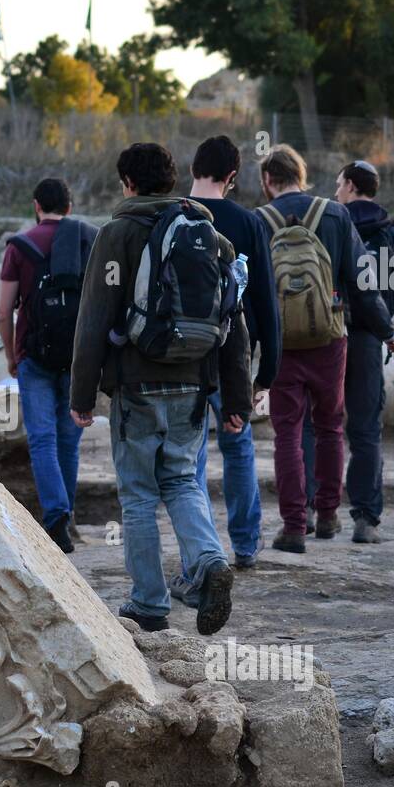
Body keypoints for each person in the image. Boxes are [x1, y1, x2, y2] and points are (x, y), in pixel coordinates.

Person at [70, 142, 252, 635]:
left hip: (135, 386)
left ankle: (149, 602)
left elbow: (94, 320)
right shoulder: (208, 235)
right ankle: (210, 560)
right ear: (172, 181)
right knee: (181, 482)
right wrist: (237, 399)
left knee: (137, 498)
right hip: (195, 385)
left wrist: (81, 397)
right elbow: (234, 322)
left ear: (126, 183)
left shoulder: (117, 235)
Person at [257, 145, 394, 553]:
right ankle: (336, 515)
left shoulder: (258, 220)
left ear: (267, 180)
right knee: (334, 425)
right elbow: (364, 282)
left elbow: (247, 289)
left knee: (289, 432)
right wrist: (386, 328)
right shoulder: (334, 214)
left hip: (282, 341)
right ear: (302, 173)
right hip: (331, 335)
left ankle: (295, 525)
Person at [170, 136, 280, 607]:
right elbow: (264, 300)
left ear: (193, 168)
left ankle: (200, 553)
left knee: (188, 457)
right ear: (233, 177)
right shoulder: (249, 222)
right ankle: (246, 546)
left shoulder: (172, 214)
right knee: (237, 447)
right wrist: (268, 368)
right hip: (236, 355)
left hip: (183, 354)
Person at [0, 177, 97, 552]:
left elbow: (4, 311)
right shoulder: (91, 238)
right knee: (69, 439)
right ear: (69, 208)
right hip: (78, 357)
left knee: (42, 439)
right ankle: (65, 517)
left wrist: (11, 355)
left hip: (34, 356)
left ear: (36, 206)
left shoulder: (19, 246)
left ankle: (55, 517)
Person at [335, 160, 394, 542]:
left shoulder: (333, 224)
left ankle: (309, 511)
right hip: (371, 337)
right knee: (366, 429)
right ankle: (365, 518)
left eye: (341, 184)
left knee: (317, 426)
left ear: (353, 187)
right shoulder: (391, 233)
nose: (337, 190)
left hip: (327, 335)